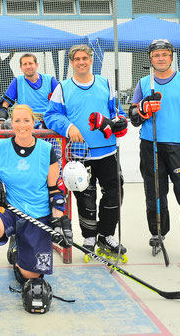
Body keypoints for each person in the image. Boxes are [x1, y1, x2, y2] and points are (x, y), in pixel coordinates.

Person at [0, 104, 71, 310]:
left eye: (26, 120)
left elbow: (56, 192)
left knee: (29, 278)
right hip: (7, 210)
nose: (21, 125)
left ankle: (16, 251)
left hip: (36, 215)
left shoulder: (47, 151)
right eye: (17, 121)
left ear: (34, 123)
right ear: (11, 123)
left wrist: (59, 222)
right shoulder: (2, 147)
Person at [44, 44, 130, 262]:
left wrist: (119, 121)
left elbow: (116, 111)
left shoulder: (105, 83)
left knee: (114, 193)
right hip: (80, 154)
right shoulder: (63, 88)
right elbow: (51, 115)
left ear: (91, 60)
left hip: (108, 152)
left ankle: (106, 235)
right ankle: (90, 237)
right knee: (85, 197)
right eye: (77, 59)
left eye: (85, 58)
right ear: (72, 63)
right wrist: (69, 127)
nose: (81, 62)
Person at [129, 39, 180, 264]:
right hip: (150, 146)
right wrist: (143, 109)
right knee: (155, 194)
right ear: (150, 59)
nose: (161, 58)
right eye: (156, 55)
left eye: (165, 54)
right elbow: (133, 117)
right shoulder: (144, 83)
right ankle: (158, 233)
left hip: (179, 146)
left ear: (171, 57)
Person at [0, 52, 60, 128]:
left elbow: (63, 99)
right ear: (21, 67)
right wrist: (1, 123)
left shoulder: (50, 80)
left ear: (36, 65)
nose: (28, 66)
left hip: (46, 121)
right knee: (6, 125)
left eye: (30, 63)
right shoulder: (17, 81)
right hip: (24, 121)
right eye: (25, 64)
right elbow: (4, 105)